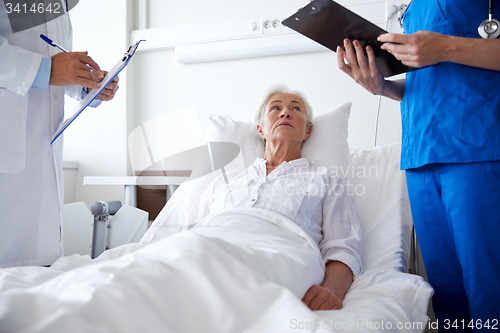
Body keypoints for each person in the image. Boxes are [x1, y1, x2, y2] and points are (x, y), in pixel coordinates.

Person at [336, 0, 500, 330]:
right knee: (448, 298)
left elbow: (450, 57)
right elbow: (429, 83)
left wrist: (447, 46)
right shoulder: (408, 8)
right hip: (421, 154)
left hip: (478, 146)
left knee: (489, 295)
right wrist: (383, 87)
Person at [187, 85, 363, 310]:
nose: (285, 113)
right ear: (260, 129)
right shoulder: (225, 180)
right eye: (276, 108)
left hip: (278, 257)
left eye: (296, 109)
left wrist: (332, 290)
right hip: (208, 252)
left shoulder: (326, 179)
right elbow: (189, 232)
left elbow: (344, 247)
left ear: (307, 132)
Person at [0, 1, 119, 268]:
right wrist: (45, 69)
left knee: (39, 276)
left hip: (41, 157)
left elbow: (53, 68)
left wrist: (87, 86)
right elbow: (45, 68)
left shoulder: (57, 7)